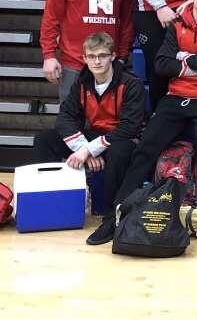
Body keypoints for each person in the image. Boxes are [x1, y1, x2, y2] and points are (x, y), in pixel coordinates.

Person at [87, 0, 197, 244]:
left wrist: (181, 56)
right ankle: (117, 214)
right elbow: (161, 64)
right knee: (145, 147)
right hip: (176, 95)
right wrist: (193, 63)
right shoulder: (177, 23)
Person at [34, 32, 145, 244]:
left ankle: (112, 217)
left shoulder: (131, 83)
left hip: (123, 138)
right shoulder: (82, 81)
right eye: (92, 56)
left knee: (120, 151)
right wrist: (84, 149)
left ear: (113, 56)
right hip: (93, 136)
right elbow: (65, 118)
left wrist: (90, 149)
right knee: (44, 139)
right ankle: (49, 204)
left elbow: (130, 127)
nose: (97, 61)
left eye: (102, 55)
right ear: (84, 58)